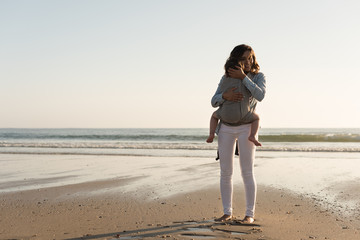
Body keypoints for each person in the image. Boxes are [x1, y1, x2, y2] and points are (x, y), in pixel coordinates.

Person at [211, 44, 266, 223]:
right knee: (225, 172)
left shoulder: (258, 77)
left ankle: (249, 215)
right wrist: (224, 97)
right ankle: (227, 213)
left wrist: (243, 77)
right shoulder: (225, 78)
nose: (248, 61)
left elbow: (260, 95)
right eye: (244, 59)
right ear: (236, 60)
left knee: (247, 172)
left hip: (246, 127)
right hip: (226, 127)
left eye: (250, 58)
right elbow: (214, 100)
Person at [206, 59, 261, 147]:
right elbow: (256, 95)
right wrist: (244, 77)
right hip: (242, 115)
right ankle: (252, 136)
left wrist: (225, 95)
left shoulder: (224, 81)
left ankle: (211, 134)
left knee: (214, 116)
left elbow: (214, 101)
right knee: (256, 118)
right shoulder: (244, 81)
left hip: (225, 115)